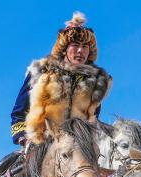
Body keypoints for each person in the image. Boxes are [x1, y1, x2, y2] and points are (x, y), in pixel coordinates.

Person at [10, 11, 112, 146]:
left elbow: (93, 123)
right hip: (39, 146)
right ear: (64, 49)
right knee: (12, 166)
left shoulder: (95, 84)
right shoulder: (41, 72)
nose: (80, 51)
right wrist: (24, 138)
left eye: (85, 47)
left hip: (77, 150)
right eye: (75, 46)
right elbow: (18, 113)